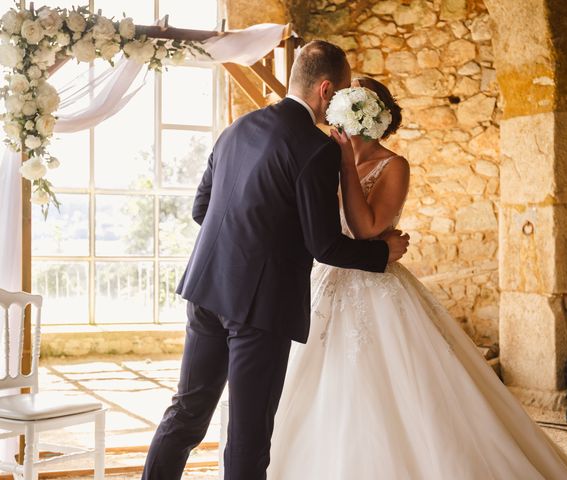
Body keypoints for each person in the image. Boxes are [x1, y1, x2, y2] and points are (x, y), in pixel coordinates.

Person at [267, 77, 567, 480]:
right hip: (324, 280)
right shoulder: (322, 156)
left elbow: (367, 230)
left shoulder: (394, 165)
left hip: (375, 284)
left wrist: (345, 165)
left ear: (371, 116)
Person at [140, 42, 410, 480]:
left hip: (206, 290)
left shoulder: (237, 127)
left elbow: (200, 209)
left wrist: (249, 240)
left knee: (186, 414)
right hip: (259, 309)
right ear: (326, 90)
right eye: (340, 91)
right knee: (249, 438)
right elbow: (325, 246)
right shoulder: (316, 149)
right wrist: (383, 251)